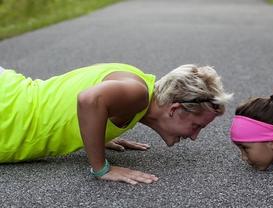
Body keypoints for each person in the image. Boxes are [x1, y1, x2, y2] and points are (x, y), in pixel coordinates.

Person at [0, 63, 232, 184]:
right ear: (175, 109)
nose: (194, 137)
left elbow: (83, 100)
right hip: (8, 113)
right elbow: (89, 99)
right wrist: (101, 168)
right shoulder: (137, 93)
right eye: (197, 126)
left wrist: (97, 132)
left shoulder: (138, 88)